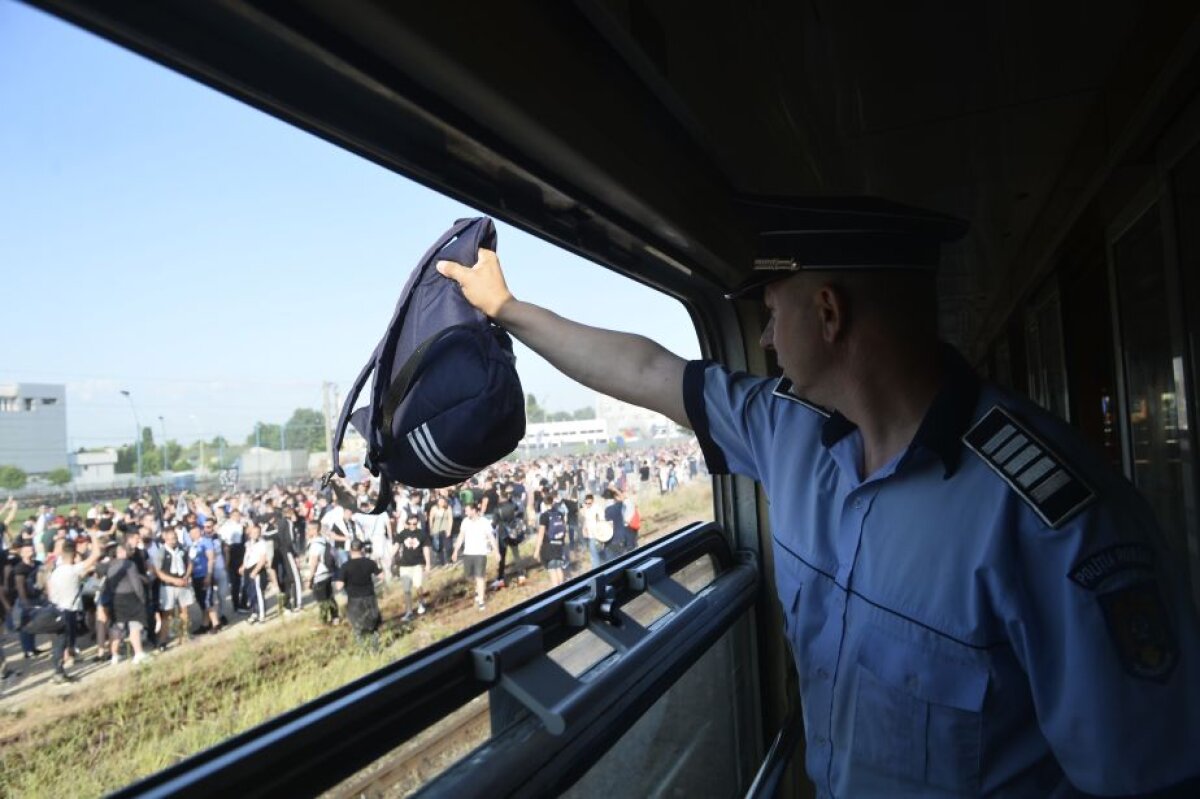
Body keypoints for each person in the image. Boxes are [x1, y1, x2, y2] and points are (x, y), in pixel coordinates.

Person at [436, 205, 1200, 798]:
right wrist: (506, 308)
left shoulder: (1054, 522)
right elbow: (646, 370)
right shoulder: (785, 430)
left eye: (771, 311)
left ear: (829, 313)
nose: (764, 338)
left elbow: (1145, 777)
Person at [46, 537, 104, 682]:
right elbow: (96, 554)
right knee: (62, 642)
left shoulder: (56, 571)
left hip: (56, 608)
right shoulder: (72, 570)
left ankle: (60, 669)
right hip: (67, 611)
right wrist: (93, 533)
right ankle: (59, 673)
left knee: (60, 642)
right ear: (73, 556)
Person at [99, 535, 150, 666]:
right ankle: (138, 653)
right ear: (121, 552)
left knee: (117, 627)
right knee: (135, 625)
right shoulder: (129, 564)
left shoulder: (110, 565)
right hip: (131, 597)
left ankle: (114, 655)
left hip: (116, 598)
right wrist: (142, 598)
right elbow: (136, 584)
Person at [153, 526, 193, 649]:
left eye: (174, 538)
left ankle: (184, 635)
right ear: (165, 539)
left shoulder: (182, 549)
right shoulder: (161, 552)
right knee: (167, 614)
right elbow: (158, 572)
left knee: (184, 610)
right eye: (170, 539)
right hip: (168, 586)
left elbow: (190, 563)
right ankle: (163, 640)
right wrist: (174, 581)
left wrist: (186, 576)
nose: (173, 541)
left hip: (182, 582)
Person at [451, 502, 497, 611]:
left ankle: (481, 600)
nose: (465, 512)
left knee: (480, 577)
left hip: (480, 553)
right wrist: (455, 551)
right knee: (469, 576)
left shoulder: (484, 522)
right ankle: (478, 589)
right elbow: (461, 536)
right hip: (468, 553)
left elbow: (491, 537)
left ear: (474, 510)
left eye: (467, 510)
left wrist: (496, 551)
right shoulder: (465, 522)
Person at [336, 539, 382, 645]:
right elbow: (381, 576)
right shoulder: (370, 562)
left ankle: (362, 649)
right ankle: (376, 647)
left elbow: (339, 586)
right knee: (372, 625)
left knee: (358, 626)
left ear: (350, 550)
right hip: (370, 597)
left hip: (354, 600)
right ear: (362, 549)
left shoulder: (345, 566)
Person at [393, 515, 432, 621]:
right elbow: (396, 546)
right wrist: (391, 557)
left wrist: (428, 564)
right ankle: (409, 611)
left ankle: (421, 604)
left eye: (414, 524)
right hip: (404, 565)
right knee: (406, 590)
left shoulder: (422, 534)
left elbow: (426, 549)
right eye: (410, 524)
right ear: (407, 524)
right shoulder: (403, 533)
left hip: (417, 564)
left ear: (417, 523)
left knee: (418, 586)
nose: (412, 526)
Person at [306, 526, 340, 626]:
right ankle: (335, 617)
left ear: (315, 530)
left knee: (322, 601)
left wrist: (310, 578)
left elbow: (314, 562)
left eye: (309, 529)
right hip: (327, 572)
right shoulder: (324, 541)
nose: (307, 531)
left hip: (319, 575)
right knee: (330, 597)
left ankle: (324, 621)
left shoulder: (315, 544)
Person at [533, 500, 569, 587]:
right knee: (559, 567)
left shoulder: (544, 516)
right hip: (559, 544)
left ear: (544, 504)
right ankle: (562, 588)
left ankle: (556, 590)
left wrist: (537, 551)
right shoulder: (560, 514)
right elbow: (564, 529)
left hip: (549, 546)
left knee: (552, 569)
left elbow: (541, 534)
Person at [239, 522, 269, 623]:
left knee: (258, 593)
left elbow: (263, 559)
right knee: (250, 592)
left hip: (257, 569)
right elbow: (247, 556)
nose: (255, 534)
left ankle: (261, 614)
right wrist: (243, 566)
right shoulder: (248, 543)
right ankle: (254, 612)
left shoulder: (262, 543)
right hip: (248, 569)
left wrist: (255, 571)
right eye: (253, 532)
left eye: (257, 532)